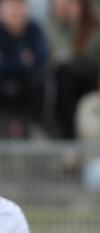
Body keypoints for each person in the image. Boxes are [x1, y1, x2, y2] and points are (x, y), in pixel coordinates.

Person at [0, 0, 49, 139]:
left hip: (26, 82)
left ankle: (36, 126)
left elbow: (40, 61)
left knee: (38, 80)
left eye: (20, 5)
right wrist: (21, 60)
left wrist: (3, 59)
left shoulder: (34, 29)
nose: (15, 11)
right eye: (11, 6)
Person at [46, 0, 100, 139]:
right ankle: (66, 134)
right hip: (65, 82)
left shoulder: (94, 29)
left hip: (90, 81)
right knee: (65, 73)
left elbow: (91, 57)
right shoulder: (55, 27)